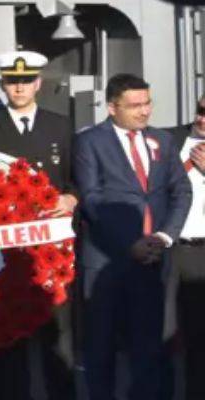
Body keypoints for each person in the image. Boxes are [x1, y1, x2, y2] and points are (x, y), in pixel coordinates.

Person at [0, 51, 77, 400]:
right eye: (12, 81)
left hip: (51, 247)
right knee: (8, 334)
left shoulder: (60, 126)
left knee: (57, 336)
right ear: (2, 85)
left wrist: (71, 199)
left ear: (38, 83)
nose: (19, 87)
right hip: (6, 248)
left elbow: (77, 179)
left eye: (26, 80)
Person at [74, 73, 190, 400]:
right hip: (107, 262)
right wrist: (131, 244)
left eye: (147, 103)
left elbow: (180, 191)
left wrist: (165, 237)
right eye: (134, 105)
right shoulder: (89, 142)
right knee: (102, 350)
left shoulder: (163, 141)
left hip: (155, 259)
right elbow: (93, 199)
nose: (144, 112)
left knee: (151, 349)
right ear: (112, 108)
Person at [169, 92, 205, 399]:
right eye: (201, 110)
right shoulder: (169, 138)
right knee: (163, 332)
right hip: (171, 248)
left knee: (199, 340)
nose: (203, 118)